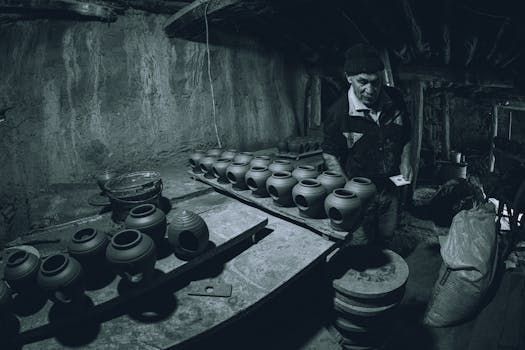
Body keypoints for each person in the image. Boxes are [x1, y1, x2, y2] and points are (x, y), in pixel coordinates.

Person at [321, 43, 413, 242]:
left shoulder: (395, 99)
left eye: (376, 82)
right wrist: (347, 191)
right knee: (360, 243)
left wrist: (406, 161)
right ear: (349, 78)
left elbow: (407, 135)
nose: (370, 90)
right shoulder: (338, 113)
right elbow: (330, 154)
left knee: (387, 235)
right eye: (362, 82)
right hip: (359, 195)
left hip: (390, 188)